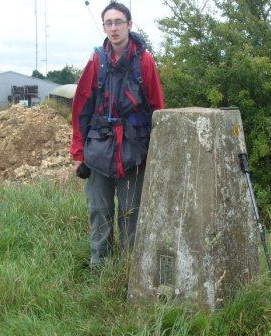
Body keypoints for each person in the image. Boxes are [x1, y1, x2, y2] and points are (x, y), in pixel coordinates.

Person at [70, 1, 164, 268]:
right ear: (104, 27)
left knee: (130, 213)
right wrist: (78, 153)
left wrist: (155, 153)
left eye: (118, 22)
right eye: (108, 23)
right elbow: (81, 108)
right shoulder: (96, 60)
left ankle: (130, 270)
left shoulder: (144, 61)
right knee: (99, 211)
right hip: (98, 150)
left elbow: (157, 107)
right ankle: (100, 269)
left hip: (134, 151)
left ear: (129, 25)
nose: (114, 28)